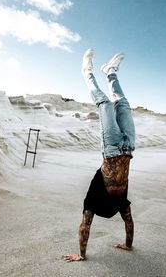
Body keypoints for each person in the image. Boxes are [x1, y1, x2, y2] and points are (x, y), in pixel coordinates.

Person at [64, 49, 135, 262]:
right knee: (123, 104)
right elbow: (129, 223)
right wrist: (127, 245)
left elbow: (84, 225)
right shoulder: (121, 201)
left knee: (104, 104)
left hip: (112, 148)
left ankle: (87, 71)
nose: (122, 213)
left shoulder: (92, 199)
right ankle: (110, 71)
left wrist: (81, 255)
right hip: (129, 147)